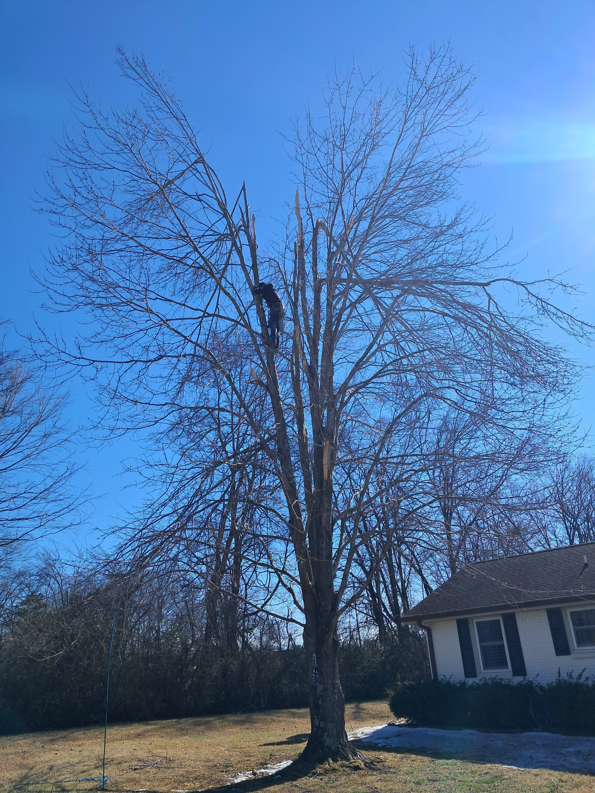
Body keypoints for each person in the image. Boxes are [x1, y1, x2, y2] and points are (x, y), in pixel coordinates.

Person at [253, 282, 285, 347]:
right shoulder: (270, 291)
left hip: (276, 306)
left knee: (272, 323)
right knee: (277, 326)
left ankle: (272, 341)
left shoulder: (267, 288)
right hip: (280, 307)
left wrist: (255, 287)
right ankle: (276, 344)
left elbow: (256, 292)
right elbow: (263, 296)